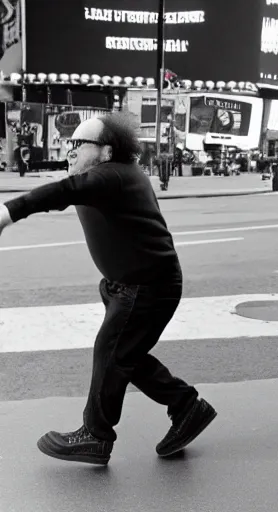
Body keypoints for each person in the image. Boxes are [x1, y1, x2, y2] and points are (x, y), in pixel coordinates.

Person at [0, 113, 217, 465]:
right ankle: (187, 405)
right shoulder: (105, 176)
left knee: (113, 352)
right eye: (69, 144)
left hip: (147, 287)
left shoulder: (113, 175)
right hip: (127, 284)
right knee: (125, 357)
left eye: (79, 144)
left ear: (105, 151)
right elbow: (70, 189)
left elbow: (64, 191)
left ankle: (96, 436)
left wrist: (8, 212)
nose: (70, 152)